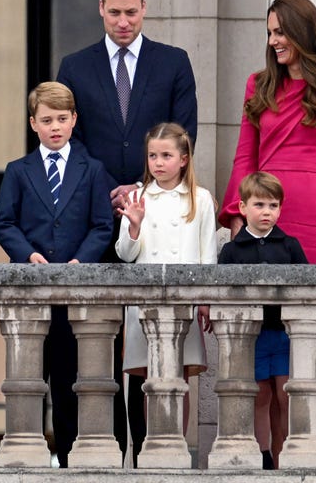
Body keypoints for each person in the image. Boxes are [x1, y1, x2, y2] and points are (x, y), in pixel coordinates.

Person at [56, 0, 198, 462]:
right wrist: (106, 191)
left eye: (131, 12)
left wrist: (140, 186)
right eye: (114, 12)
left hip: (155, 217)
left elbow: (184, 134)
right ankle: (102, 448)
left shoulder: (173, 62)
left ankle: (150, 451)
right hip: (93, 220)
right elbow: (67, 142)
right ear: (100, 9)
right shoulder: (75, 66)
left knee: (149, 345)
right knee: (94, 339)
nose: (122, 21)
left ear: (145, 8)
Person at [218, 0, 316, 390]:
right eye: (270, 33)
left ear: (303, 33)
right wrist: (237, 218)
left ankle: (309, 442)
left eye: (281, 32)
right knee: (258, 324)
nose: (273, 41)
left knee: (313, 321)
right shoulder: (258, 84)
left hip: (313, 215)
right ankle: (267, 451)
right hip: (263, 212)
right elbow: (243, 157)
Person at [0, 82, 115, 467]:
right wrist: (26, 254)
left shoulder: (92, 170)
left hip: (73, 296)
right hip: (29, 294)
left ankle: (67, 460)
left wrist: (82, 262)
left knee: (68, 381)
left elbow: (101, 225)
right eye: (47, 120)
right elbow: (4, 223)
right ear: (33, 123)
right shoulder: (18, 171)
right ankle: (26, 459)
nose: (55, 127)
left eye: (62, 119)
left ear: (74, 120)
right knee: (27, 381)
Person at [115, 122, 215, 438]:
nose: (158, 163)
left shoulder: (200, 199)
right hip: (144, 305)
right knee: (151, 381)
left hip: (182, 303)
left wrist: (205, 300)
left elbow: (207, 256)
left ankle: (178, 446)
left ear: (184, 158)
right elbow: (125, 254)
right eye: (153, 156)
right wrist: (133, 226)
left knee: (179, 379)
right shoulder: (138, 196)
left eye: (166, 156)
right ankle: (152, 447)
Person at [218, 171, 308, 469]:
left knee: (285, 396)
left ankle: (284, 456)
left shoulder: (290, 245)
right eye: (259, 205)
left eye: (273, 205)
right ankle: (263, 457)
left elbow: (306, 288)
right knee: (260, 397)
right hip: (251, 337)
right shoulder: (231, 250)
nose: (266, 212)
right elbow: (224, 294)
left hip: (282, 334)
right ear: (243, 208)